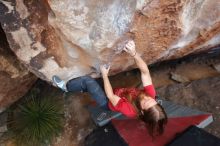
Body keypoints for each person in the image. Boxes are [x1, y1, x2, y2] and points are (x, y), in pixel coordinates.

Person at [52, 40, 167, 137]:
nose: (147, 98)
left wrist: (105, 75)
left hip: (107, 102)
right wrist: (134, 53)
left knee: (88, 81)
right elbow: (145, 72)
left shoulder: (129, 110)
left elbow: (110, 96)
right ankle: (84, 88)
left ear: (142, 111)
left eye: (146, 103)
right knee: (94, 86)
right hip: (118, 93)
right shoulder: (150, 94)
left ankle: (66, 87)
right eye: (152, 100)